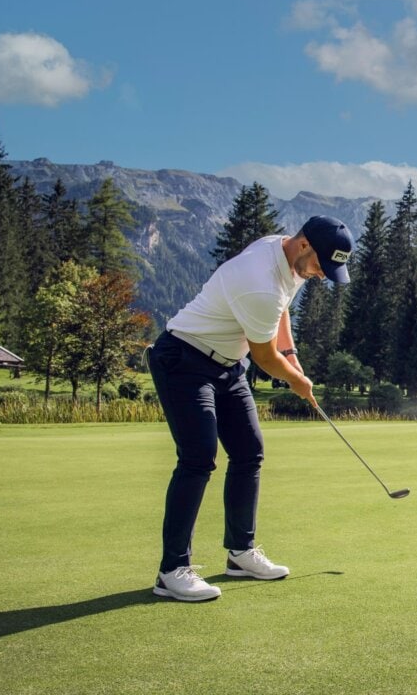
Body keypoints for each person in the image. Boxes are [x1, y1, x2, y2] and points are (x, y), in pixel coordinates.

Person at [147, 215, 353, 602]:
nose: (323, 275)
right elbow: (263, 356)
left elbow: (282, 309)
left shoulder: (288, 256)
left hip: (227, 364)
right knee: (197, 458)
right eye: (322, 267)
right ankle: (171, 570)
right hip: (184, 360)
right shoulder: (258, 280)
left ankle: (240, 554)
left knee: (248, 452)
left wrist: (291, 354)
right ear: (305, 244)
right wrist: (295, 378)